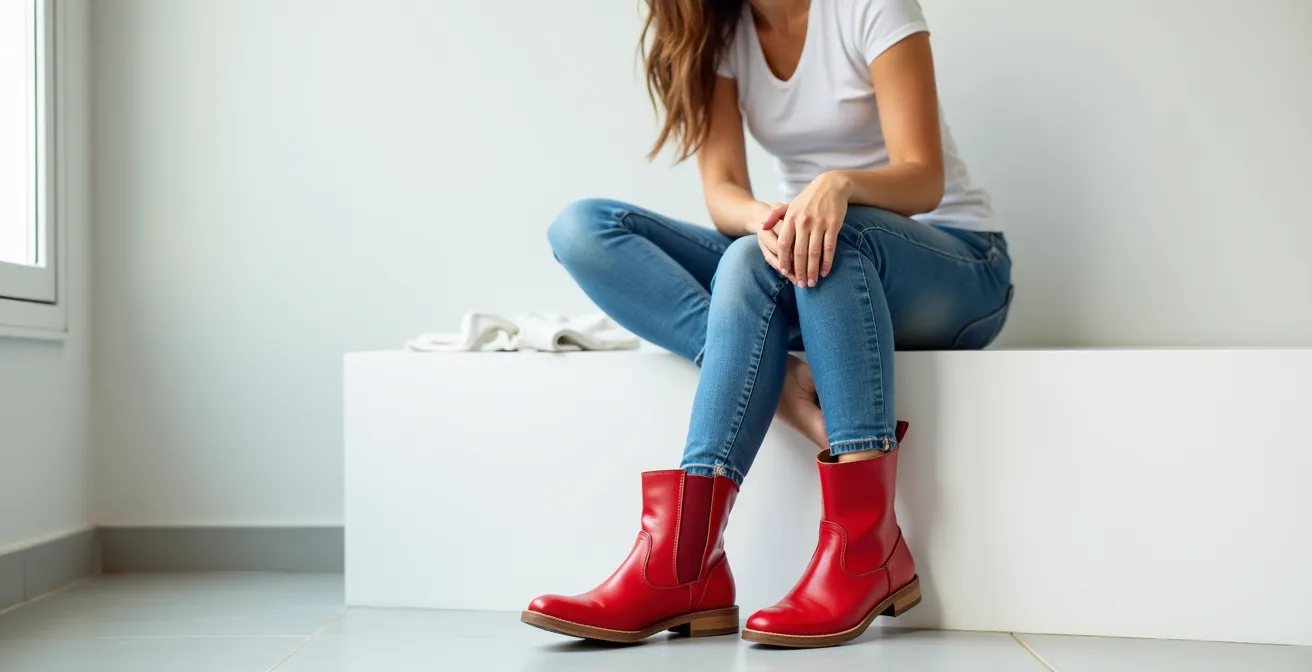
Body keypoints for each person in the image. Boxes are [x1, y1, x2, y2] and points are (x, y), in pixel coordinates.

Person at [521, 0, 1013, 648]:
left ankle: (863, 552)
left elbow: (922, 176)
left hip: (953, 265)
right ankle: (686, 561)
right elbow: (722, 189)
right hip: (809, 263)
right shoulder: (721, 33)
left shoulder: (868, 6)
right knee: (585, 229)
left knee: (815, 244)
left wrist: (837, 185)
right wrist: (767, 222)